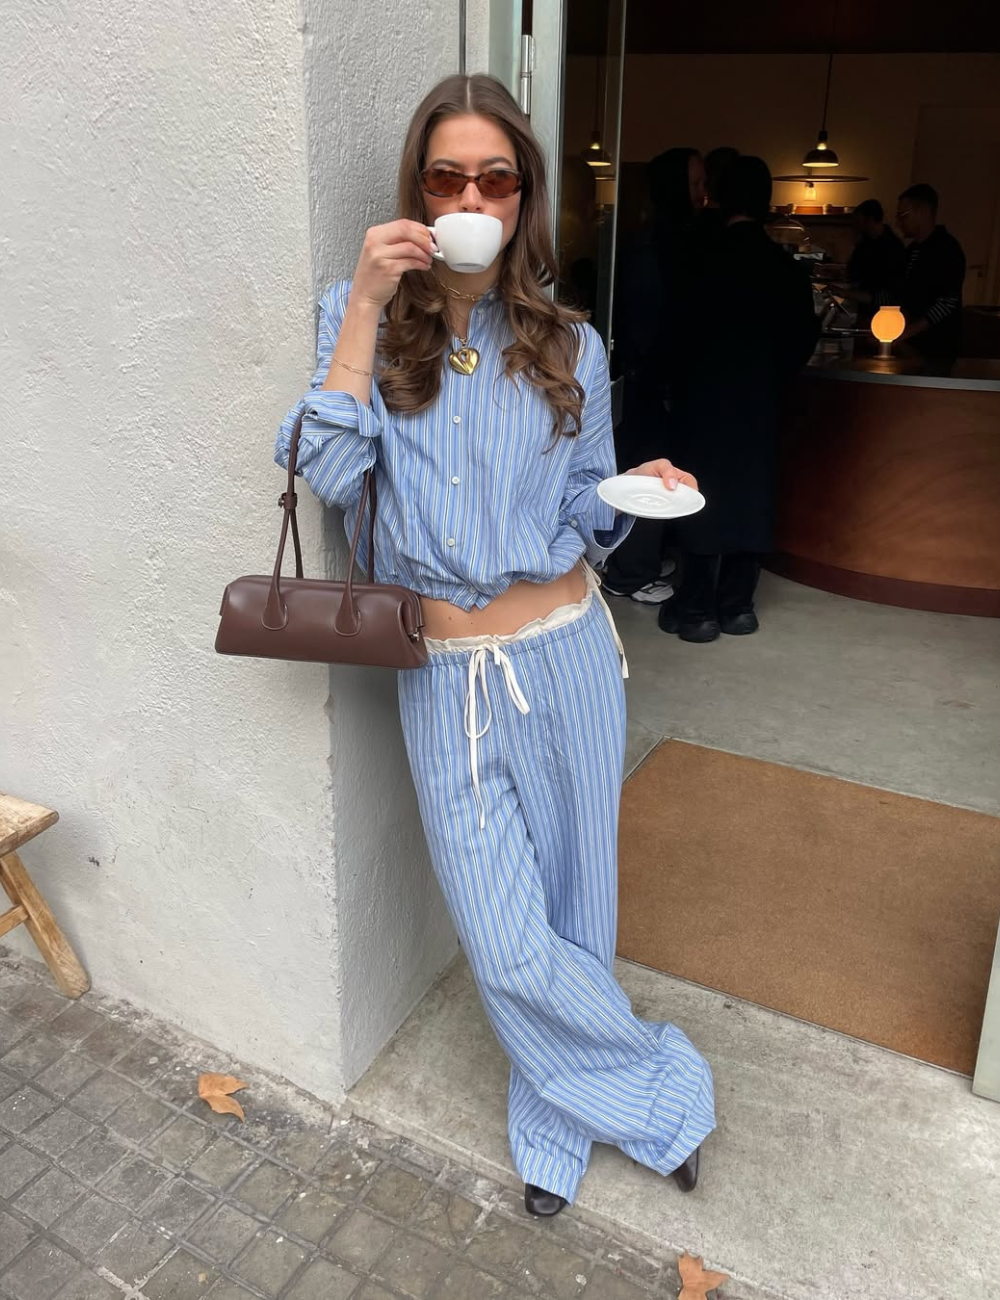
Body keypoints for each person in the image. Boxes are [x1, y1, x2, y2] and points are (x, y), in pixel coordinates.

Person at [274, 75, 716, 1216]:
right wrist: (369, 305)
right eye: (445, 176)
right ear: (418, 191)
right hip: (445, 677)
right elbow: (326, 471)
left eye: (495, 178)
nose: (471, 196)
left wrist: (639, 486)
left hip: (566, 655)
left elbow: (589, 506)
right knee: (507, 939)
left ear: (524, 197)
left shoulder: (570, 339)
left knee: (577, 913)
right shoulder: (356, 316)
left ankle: (553, 1123)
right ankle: (660, 1091)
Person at [660, 156, 820, 642]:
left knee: (701, 491)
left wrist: (673, 388)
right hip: (761, 401)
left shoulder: (698, 260)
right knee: (753, 492)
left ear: (719, 197)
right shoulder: (786, 270)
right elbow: (802, 342)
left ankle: (696, 611)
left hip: (704, 401)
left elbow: (675, 334)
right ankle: (737, 605)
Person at [602, 148, 708, 603]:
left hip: (661, 381)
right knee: (647, 469)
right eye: (696, 183)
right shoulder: (651, 246)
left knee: (663, 469)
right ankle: (629, 572)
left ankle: (641, 559)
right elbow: (646, 329)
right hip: (650, 382)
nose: (703, 194)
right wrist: (663, 381)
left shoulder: (676, 239)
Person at [845, 184, 966, 357]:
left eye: (902, 215)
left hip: (937, 347)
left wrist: (905, 332)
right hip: (911, 345)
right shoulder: (911, 251)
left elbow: (947, 302)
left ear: (922, 211)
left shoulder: (946, 249)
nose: (898, 223)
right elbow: (897, 294)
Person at [845, 199, 906, 329]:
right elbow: (852, 271)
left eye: (858, 220)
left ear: (870, 219)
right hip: (863, 307)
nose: (855, 225)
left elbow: (890, 291)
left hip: (880, 313)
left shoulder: (892, 248)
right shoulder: (864, 243)